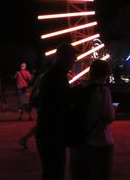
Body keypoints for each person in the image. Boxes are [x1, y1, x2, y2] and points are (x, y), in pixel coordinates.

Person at [36, 44, 76, 180]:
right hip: (53, 135)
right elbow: (63, 104)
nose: (75, 60)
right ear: (64, 58)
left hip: (47, 133)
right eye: (73, 57)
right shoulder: (58, 76)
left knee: (50, 172)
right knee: (54, 173)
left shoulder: (51, 75)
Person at [70, 59, 115, 180]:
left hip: (78, 142)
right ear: (105, 74)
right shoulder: (102, 90)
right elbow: (109, 117)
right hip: (99, 142)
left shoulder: (77, 88)